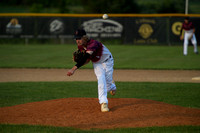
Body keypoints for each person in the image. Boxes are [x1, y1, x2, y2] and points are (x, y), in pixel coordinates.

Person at [67, 29, 116, 112]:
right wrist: (80, 63)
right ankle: (104, 103)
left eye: (79, 38)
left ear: (85, 38)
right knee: (101, 81)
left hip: (108, 61)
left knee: (107, 85)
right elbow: (87, 60)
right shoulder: (81, 46)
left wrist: (73, 69)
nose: (77, 41)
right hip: (97, 63)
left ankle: (112, 86)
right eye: (76, 38)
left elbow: (86, 57)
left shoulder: (93, 44)